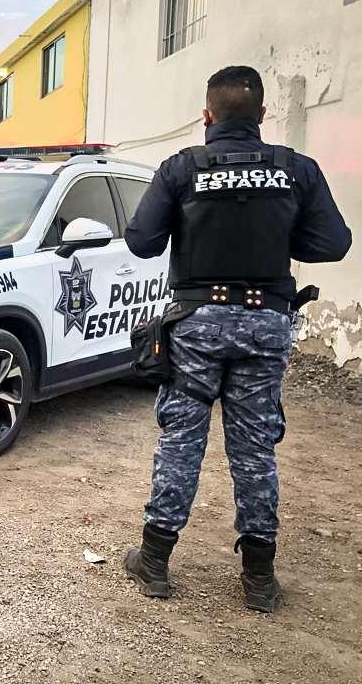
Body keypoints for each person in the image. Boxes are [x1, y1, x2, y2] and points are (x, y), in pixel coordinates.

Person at [122, 66, 352, 612]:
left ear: (208, 116)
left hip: (197, 324)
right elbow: (333, 243)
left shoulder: (182, 168)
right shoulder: (295, 170)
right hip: (264, 323)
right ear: (262, 115)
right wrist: (280, 235)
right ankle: (259, 580)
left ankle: (154, 562)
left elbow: (141, 241)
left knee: (181, 441)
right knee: (254, 450)